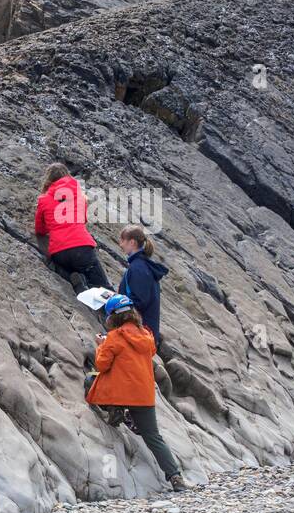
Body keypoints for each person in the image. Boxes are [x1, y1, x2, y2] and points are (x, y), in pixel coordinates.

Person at [86, 294, 186, 491]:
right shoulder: (146, 336)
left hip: (120, 393)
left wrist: (101, 346)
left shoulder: (114, 337)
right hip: (143, 395)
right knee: (153, 436)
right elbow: (139, 352)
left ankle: (116, 410)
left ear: (112, 317)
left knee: (91, 380)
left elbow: (102, 365)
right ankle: (175, 477)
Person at [34, 163, 111, 291]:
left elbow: (40, 229)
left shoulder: (43, 200)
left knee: (60, 266)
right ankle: (107, 303)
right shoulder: (80, 196)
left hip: (59, 252)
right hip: (82, 247)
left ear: (49, 179)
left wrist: (54, 225)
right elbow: (83, 219)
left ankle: (73, 278)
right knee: (103, 286)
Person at [117, 224, 168, 346]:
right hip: (143, 333)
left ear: (132, 242)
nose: (120, 244)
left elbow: (139, 302)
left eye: (123, 240)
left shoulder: (138, 268)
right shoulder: (142, 266)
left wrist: (115, 303)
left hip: (139, 333)